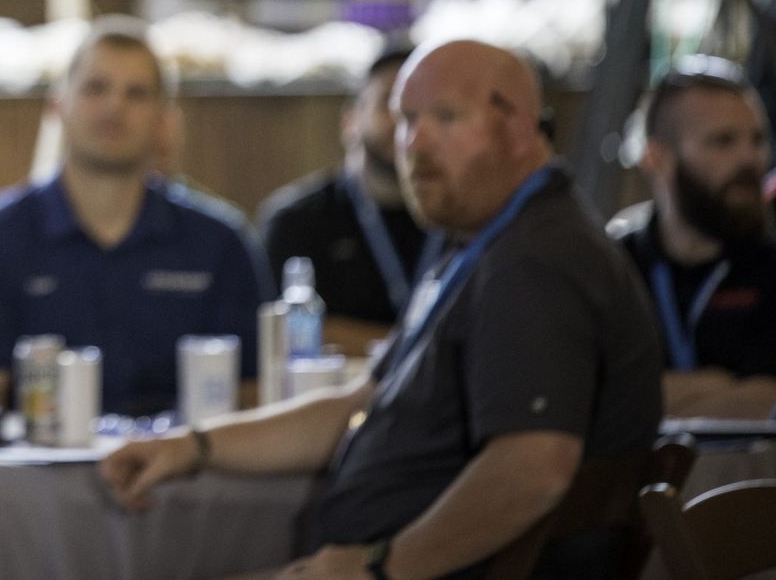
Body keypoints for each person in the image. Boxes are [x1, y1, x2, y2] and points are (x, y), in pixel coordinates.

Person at [99, 41, 663, 580]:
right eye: (404, 120)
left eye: (443, 118)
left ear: (515, 124)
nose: (412, 144)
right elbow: (361, 404)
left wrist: (381, 566)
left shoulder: (535, 259)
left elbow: (532, 469)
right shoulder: (476, 237)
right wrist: (192, 446)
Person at [0, 17, 269, 417]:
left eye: (137, 93)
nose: (115, 107)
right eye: (96, 88)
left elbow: (252, 396)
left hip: (185, 473)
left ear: (165, 120)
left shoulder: (220, 244)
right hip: (30, 476)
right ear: (57, 106)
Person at [609, 57, 776, 419]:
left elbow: (765, 403)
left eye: (758, 140)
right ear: (658, 159)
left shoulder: (769, 260)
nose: (750, 159)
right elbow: (594, 402)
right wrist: (720, 385)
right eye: (724, 141)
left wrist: (655, 401)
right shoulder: (615, 263)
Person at [257, 47, 436, 355]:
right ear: (350, 121)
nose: (406, 126)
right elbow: (290, 333)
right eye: (391, 105)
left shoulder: (456, 219)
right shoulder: (296, 220)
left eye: (427, 111)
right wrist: (419, 343)